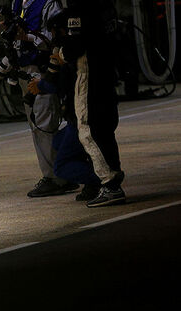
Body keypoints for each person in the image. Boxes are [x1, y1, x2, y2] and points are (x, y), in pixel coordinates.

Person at [46, 2, 125, 207]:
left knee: (88, 131)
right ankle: (112, 178)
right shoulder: (105, 8)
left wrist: (60, 55)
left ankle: (109, 184)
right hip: (107, 75)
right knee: (104, 130)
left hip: (89, 76)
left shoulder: (79, 10)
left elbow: (75, 47)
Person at [4, 0, 77, 198]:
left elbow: (55, 38)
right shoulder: (17, 3)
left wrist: (26, 36)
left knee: (45, 123)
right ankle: (54, 174)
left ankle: (57, 177)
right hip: (24, 70)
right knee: (36, 125)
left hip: (43, 70)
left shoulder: (48, 4)